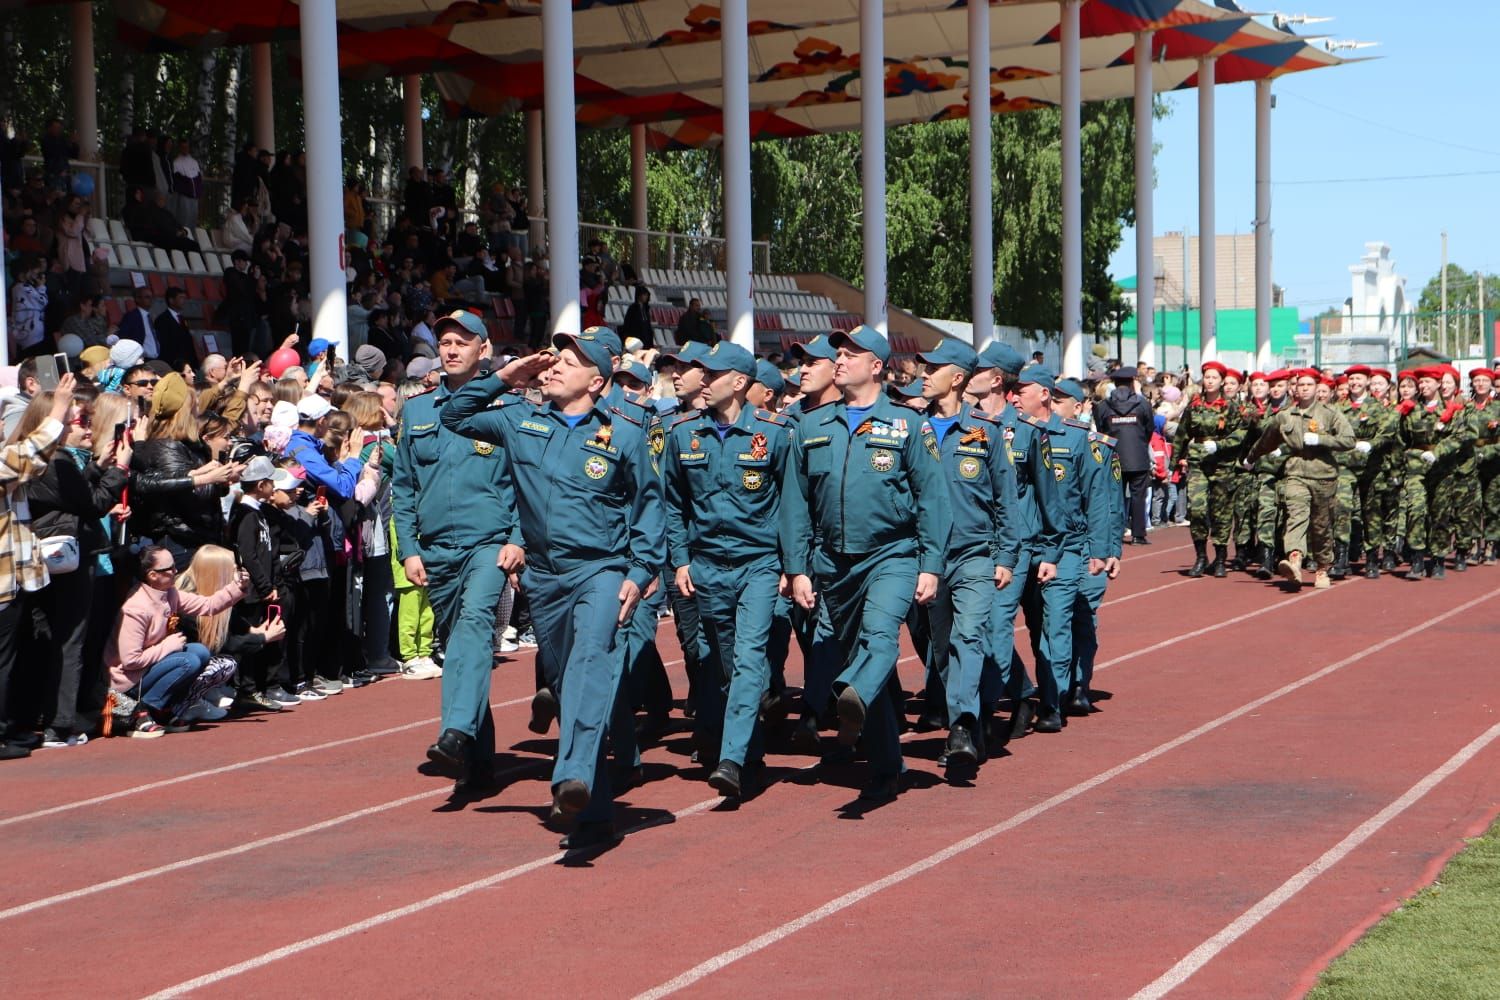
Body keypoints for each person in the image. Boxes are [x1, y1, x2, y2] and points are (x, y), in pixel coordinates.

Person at [441, 324, 662, 849]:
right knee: (569, 686)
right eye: (558, 355)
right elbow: (453, 416)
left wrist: (639, 573)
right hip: (544, 577)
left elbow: (650, 510)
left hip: (599, 571)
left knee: (590, 664)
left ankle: (571, 776)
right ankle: (593, 807)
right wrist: (505, 376)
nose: (558, 364)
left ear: (597, 380)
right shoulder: (521, 420)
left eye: (573, 360)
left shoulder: (625, 434)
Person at [780, 325, 950, 802]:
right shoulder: (811, 426)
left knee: (879, 637)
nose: (839, 359)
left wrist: (931, 564)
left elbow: (934, 500)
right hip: (833, 563)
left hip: (891, 554)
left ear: (876, 366)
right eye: (838, 352)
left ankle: (850, 694)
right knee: (862, 663)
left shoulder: (907, 425)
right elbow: (795, 504)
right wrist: (797, 569)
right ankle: (887, 762)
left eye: (851, 354)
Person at [392, 311, 537, 799]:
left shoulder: (509, 410)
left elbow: (526, 485)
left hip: (488, 544)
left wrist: (517, 538)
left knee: (475, 625)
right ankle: (477, 762)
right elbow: (405, 486)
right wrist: (408, 549)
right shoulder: (416, 410)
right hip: (436, 550)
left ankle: (453, 733)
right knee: (461, 651)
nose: (451, 349)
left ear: (484, 350)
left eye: (462, 342)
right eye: (445, 342)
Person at [663, 341, 791, 799]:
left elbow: (790, 507)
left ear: (739, 383)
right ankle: (750, 751)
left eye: (711, 374)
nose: (702, 381)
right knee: (722, 662)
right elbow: (674, 505)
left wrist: (790, 567)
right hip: (707, 565)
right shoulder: (683, 435)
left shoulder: (774, 434)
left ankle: (731, 759)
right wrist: (680, 560)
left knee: (749, 656)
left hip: (758, 564)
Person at [911, 339, 1019, 766]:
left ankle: (961, 726)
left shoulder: (985, 431)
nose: (923, 375)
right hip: (926, 559)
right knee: (940, 648)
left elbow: (1005, 499)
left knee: (969, 636)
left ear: (956, 378)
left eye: (932, 369)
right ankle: (967, 721)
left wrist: (1006, 557)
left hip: (973, 554)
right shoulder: (910, 428)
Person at [24, 384, 129, 746]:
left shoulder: (52, 462)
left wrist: (99, 467)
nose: (87, 427)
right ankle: (59, 724)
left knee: (47, 637)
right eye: (79, 421)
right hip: (65, 558)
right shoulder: (55, 462)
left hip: (53, 556)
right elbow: (91, 504)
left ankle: (41, 718)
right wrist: (120, 470)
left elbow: (76, 497)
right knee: (67, 640)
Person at [0, 375, 76, 759]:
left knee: (12, 659)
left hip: (11, 580)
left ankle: (9, 728)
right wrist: (58, 411)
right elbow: (26, 454)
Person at [106, 545, 248, 737]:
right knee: (189, 661)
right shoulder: (136, 607)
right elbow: (130, 660)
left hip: (150, 667)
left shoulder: (169, 592)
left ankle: (166, 708)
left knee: (200, 652)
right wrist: (166, 646)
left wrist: (237, 586)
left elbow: (208, 606)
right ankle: (141, 710)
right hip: (129, 680)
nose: (175, 571)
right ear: (152, 575)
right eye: (170, 569)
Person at [1245, 369, 1355, 589]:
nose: (1304, 388)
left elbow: (1349, 439)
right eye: (1300, 385)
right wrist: (1251, 457)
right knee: (1296, 516)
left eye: (1309, 385)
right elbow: (1267, 440)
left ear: (1316, 388)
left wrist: (1322, 439)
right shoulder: (1285, 416)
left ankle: (1323, 567)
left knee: (1321, 526)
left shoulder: (1329, 413)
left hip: (1323, 475)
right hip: (1296, 473)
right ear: (1294, 388)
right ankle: (1294, 558)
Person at [1177, 361, 1246, 578]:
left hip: (1222, 464)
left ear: (1222, 381)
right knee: (1196, 509)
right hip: (1198, 462)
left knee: (1221, 513)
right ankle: (1200, 556)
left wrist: (1220, 445)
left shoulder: (1231, 408)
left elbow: (1240, 434)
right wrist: (1175, 463)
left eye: (1214, 378)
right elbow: (1181, 434)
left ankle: (1221, 558)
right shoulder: (1194, 406)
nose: (1209, 381)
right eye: (1207, 377)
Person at [1094, 366, 1152, 545]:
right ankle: (1138, 535)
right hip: (1138, 456)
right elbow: (1149, 429)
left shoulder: (1103, 406)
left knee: (1115, 497)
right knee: (1138, 497)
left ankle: (1115, 534)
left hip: (1113, 456)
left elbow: (1101, 430)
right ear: (1132, 382)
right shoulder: (1143, 404)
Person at [620, 284, 654, 351]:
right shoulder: (633, 309)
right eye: (644, 295)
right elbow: (628, 324)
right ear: (639, 295)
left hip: (646, 339)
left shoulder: (646, 309)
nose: (646, 297)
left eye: (647, 295)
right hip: (636, 337)